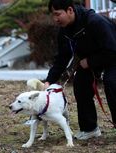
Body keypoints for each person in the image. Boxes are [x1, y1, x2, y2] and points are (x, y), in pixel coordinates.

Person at [45, 0, 116, 140]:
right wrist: (49, 81)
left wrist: (89, 61)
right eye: (53, 15)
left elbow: (112, 50)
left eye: (57, 14)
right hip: (93, 59)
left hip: (113, 54)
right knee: (80, 83)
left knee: (112, 83)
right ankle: (90, 129)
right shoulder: (65, 31)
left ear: (70, 10)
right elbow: (62, 58)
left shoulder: (95, 22)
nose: (55, 19)